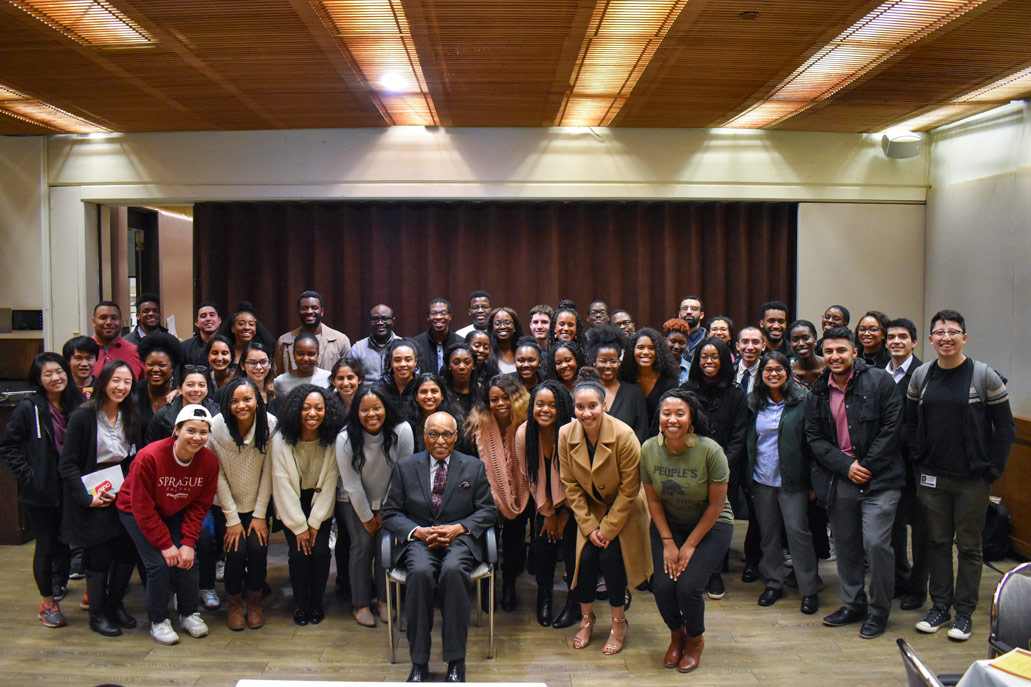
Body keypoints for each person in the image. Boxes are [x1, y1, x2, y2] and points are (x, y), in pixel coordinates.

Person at [907, 310, 1015, 641]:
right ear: (930, 340)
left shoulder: (984, 377)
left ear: (964, 338)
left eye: (953, 332)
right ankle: (940, 606)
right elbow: (911, 423)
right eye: (939, 332)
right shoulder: (922, 376)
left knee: (969, 546)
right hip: (932, 479)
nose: (946, 338)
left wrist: (992, 470)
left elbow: (1005, 427)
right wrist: (917, 458)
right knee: (937, 543)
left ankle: (964, 613)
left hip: (971, 480)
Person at [381, 411, 497, 683]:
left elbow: (488, 511)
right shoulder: (406, 467)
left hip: (459, 540)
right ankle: (419, 662)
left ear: (456, 436)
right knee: (419, 573)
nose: (440, 440)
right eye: (433, 434)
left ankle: (456, 661)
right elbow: (390, 513)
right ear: (425, 435)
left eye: (447, 434)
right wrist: (416, 531)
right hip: (420, 540)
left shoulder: (473, 467)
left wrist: (458, 528)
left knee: (454, 571)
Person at [805, 326, 903, 639]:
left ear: (854, 352)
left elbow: (892, 427)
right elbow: (814, 438)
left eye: (841, 351)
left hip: (881, 479)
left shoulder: (880, 381)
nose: (835, 357)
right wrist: (847, 466)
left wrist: (867, 465)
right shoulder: (818, 390)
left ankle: (878, 611)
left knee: (875, 544)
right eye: (829, 352)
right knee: (846, 546)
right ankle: (853, 603)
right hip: (842, 478)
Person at [558, 369, 652, 655]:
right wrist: (588, 527)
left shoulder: (624, 435)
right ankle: (587, 620)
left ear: (604, 405)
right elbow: (570, 484)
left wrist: (607, 529)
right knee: (584, 561)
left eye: (593, 406)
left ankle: (618, 622)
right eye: (580, 407)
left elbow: (630, 488)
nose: (586, 413)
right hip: (590, 510)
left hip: (625, 507)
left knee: (612, 558)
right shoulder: (565, 433)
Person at [642, 388, 733, 673]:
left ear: (691, 418)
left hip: (711, 526)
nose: (672, 419)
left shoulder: (710, 451)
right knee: (663, 587)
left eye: (679, 414)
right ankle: (676, 634)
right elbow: (653, 499)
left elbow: (716, 507)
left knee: (689, 587)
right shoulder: (648, 449)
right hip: (669, 524)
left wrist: (689, 545)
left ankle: (695, 639)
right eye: (666, 413)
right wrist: (669, 542)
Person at [118, 404, 219, 645]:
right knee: (159, 565)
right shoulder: (149, 457)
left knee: (188, 559)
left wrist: (186, 543)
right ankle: (159, 620)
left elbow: (199, 507)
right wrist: (165, 544)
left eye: (203, 433)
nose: (197, 438)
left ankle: (188, 613)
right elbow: (142, 506)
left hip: (174, 509)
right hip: (135, 510)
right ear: (176, 430)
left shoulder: (209, 462)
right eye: (190, 431)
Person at [1, 352, 84, 627]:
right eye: (48, 374)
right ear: (38, 379)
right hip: (42, 490)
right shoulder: (29, 407)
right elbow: (8, 446)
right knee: (47, 546)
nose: (56, 377)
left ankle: (67, 586)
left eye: (59, 371)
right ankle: (47, 602)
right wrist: (30, 475)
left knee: (70, 541)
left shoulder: (78, 401)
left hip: (72, 486)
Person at [59, 360, 141, 637]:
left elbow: (133, 457)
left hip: (122, 490)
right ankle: (98, 614)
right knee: (99, 555)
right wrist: (87, 498)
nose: (121, 387)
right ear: (103, 381)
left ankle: (115, 604)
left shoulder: (131, 413)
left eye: (127, 382)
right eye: (116, 380)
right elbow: (68, 464)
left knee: (127, 551)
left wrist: (127, 488)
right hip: (92, 493)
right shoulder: (83, 416)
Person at [745, 352, 820, 614]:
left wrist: (812, 482)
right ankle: (774, 583)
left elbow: (812, 442)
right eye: (768, 370)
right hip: (761, 479)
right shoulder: (754, 402)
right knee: (768, 535)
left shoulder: (803, 401)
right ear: (761, 374)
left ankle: (808, 589)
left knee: (798, 534)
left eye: (778, 369)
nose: (773, 374)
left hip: (794, 481)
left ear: (787, 373)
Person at [335, 385, 414, 627]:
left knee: (385, 545)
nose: (372, 414)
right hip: (353, 500)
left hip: (391, 499)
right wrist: (368, 516)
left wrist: (384, 508)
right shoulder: (345, 437)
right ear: (356, 411)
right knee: (362, 544)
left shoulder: (402, 430)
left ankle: (384, 599)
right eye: (364, 409)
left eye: (377, 408)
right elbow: (351, 483)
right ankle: (360, 604)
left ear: (386, 408)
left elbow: (403, 473)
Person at [681, 336, 751, 596]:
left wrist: (721, 470)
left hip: (725, 473)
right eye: (704, 357)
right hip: (691, 471)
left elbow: (738, 437)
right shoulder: (686, 391)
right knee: (692, 520)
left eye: (715, 357)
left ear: (724, 361)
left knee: (719, 523)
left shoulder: (736, 394)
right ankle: (693, 569)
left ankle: (714, 573)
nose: (709, 362)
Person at [270, 384, 344, 625]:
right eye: (306, 408)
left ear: (327, 411)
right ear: (295, 410)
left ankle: (316, 602)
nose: (312, 413)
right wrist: (300, 526)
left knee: (321, 553)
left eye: (318, 408)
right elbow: (282, 487)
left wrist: (313, 523)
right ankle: (302, 604)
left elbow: (331, 481)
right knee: (299, 554)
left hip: (320, 503)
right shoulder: (280, 440)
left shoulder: (332, 439)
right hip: (291, 503)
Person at [209, 378, 276, 631]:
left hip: (258, 503)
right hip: (226, 506)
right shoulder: (215, 427)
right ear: (227, 403)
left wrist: (259, 515)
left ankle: (254, 601)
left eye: (247, 399)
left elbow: (269, 472)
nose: (241, 406)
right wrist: (232, 519)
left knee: (258, 551)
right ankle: (235, 603)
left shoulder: (270, 425)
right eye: (235, 401)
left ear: (257, 400)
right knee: (235, 553)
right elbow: (217, 476)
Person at [463, 374, 530, 612]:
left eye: (505, 398)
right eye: (494, 399)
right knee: (484, 543)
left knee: (513, 542)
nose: (500, 404)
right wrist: (491, 496)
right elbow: (469, 467)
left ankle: (510, 585)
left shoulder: (526, 424)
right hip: (484, 497)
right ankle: (487, 588)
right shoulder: (477, 427)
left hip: (522, 495)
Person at [514, 381, 579, 628]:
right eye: (540, 404)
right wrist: (549, 512)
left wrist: (564, 513)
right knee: (543, 543)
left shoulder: (574, 430)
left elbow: (578, 479)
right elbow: (530, 476)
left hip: (575, 502)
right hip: (544, 500)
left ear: (562, 407)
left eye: (552, 405)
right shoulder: (524, 432)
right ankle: (545, 595)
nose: (545, 410)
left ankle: (574, 604)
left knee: (575, 553)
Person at [884, 317, 925, 611]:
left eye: (903, 337)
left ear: (913, 342)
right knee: (894, 530)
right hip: (887, 468)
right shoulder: (877, 375)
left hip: (916, 468)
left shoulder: (925, 374)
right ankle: (899, 579)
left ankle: (917, 588)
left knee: (921, 532)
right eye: (892, 337)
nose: (896, 341)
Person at [587, 325, 648, 442]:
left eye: (613, 361)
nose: (608, 366)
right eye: (603, 361)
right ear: (594, 362)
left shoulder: (634, 393)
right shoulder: (586, 392)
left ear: (619, 362)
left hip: (628, 457)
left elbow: (642, 432)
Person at [274, 290, 352, 376]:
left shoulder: (340, 340)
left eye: (314, 308)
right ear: (298, 311)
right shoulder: (284, 341)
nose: (309, 311)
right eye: (304, 308)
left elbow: (348, 375)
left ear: (322, 312)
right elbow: (277, 377)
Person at [618, 327, 679, 424]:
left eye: (651, 348)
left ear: (659, 352)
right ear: (632, 350)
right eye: (640, 347)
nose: (646, 352)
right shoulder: (624, 377)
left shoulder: (668, 380)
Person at [147, 366, 220, 442]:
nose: (196, 389)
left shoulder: (217, 415)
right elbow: (150, 446)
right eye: (190, 385)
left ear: (207, 390)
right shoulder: (163, 415)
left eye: (201, 385)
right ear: (179, 389)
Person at [134, 332, 184, 432]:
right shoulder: (135, 391)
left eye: (162, 365)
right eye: (150, 364)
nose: (156, 369)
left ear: (172, 368)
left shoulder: (180, 394)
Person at [91, 301, 144, 380]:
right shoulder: (80, 351)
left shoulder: (136, 352)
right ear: (94, 322)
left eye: (114, 318)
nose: (109, 322)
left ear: (121, 322)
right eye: (103, 318)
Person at [217, 303, 277, 371]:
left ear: (256, 329)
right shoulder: (225, 352)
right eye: (241, 324)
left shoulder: (262, 353)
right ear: (233, 328)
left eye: (251, 324)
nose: (246, 327)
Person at [350, 304, 402, 380]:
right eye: (375, 319)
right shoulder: (358, 349)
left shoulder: (404, 347)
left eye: (385, 319)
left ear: (393, 320)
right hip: (366, 391)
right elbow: (350, 377)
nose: (380, 322)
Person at [274, 331, 331, 398]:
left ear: (318, 354)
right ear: (293, 354)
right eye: (300, 354)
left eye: (311, 354)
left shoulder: (328, 378)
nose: (305, 359)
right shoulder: (280, 381)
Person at [413, 298, 461, 375]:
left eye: (443, 313)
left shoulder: (460, 342)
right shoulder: (416, 344)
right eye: (434, 313)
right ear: (428, 317)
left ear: (450, 316)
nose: (438, 317)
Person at [236, 341, 277, 415]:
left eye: (263, 362)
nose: (258, 367)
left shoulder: (277, 397)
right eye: (252, 363)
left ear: (270, 364)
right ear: (242, 365)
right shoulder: (230, 393)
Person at [379, 338, 421, 410]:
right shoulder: (379, 387)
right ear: (391, 362)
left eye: (408, 360)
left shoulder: (421, 386)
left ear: (415, 362)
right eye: (397, 360)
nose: (403, 364)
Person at [442, 343, 480, 416]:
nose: (462, 367)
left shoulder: (482, 393)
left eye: (467, 362)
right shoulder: (441, 391)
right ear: (449, 365)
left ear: (473, 366)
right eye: (456, 363)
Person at [182, 302, 222, 367]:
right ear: (197, 322)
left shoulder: (228, 345)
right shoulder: (185, 347)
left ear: (219, 320)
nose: (208, 319)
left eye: (212, 315)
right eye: (203, 316)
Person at [789, 320, 825, 388]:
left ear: (815, 339)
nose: (801, 344)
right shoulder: (789, 373)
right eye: (795, 340)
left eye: (806, 338)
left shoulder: (829, 367)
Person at [486, 307, 522, 375]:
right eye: (497, 323)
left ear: (515, 327)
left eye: (507, 323)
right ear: (492, 328)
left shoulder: (523, 351)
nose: (502, 327)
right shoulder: (486, 353)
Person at [734, 326, 766, 394]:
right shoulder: (729, 372)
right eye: (745, 342)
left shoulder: (769, 373)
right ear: (737, 346)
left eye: (755, 342)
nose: (750, 347)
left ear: (763, 346)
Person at [677, 296, 707, 362]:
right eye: (684, 308)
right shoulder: (671, 339)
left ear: (701, 315)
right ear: (679, 314)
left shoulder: (708, 338)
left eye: (694, 309)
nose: (689, 312)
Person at [663, 318, 692, 384]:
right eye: (673, 342)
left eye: (681, 343)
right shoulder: (657, 367)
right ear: (664, 340)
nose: (676, 346)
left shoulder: (690, 370)